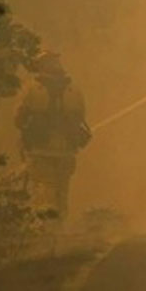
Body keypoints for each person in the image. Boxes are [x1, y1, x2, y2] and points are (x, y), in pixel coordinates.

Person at [15, 50, 90, 227]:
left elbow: (18, 119)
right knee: (62, 191)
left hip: (39, 151)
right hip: (66, 152)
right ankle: (60, 229)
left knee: (43, 190)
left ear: (40, 66)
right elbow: (81, 115)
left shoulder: (31, 88)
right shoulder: (74, 90)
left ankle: (46, 234)